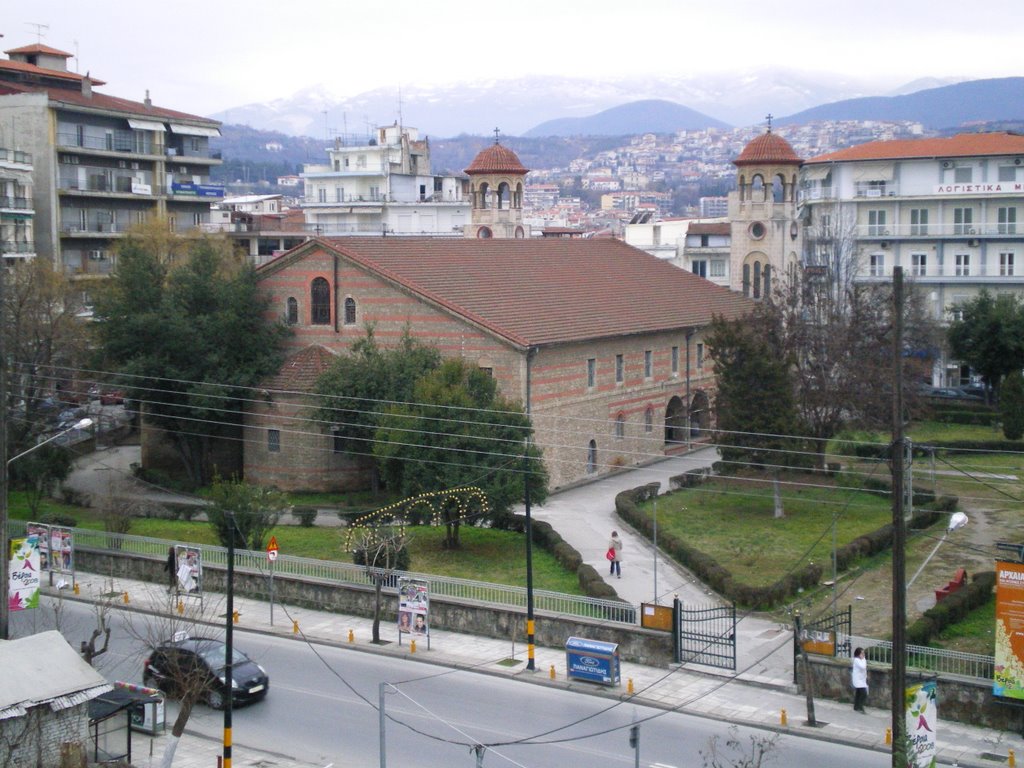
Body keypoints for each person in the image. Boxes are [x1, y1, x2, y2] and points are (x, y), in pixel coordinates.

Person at [851, 647, 868, 713]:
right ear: (858, 654)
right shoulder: (857, 660)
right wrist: (864, 660)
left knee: (858, 693)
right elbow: (863, 667)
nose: (863, 655)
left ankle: (856, 706)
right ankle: (860, 706)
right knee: (864, 693)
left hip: (862, 679)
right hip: (858, 680)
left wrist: (864, 660)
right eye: (862, 653)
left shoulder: (862, 660)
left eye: (864, 653)